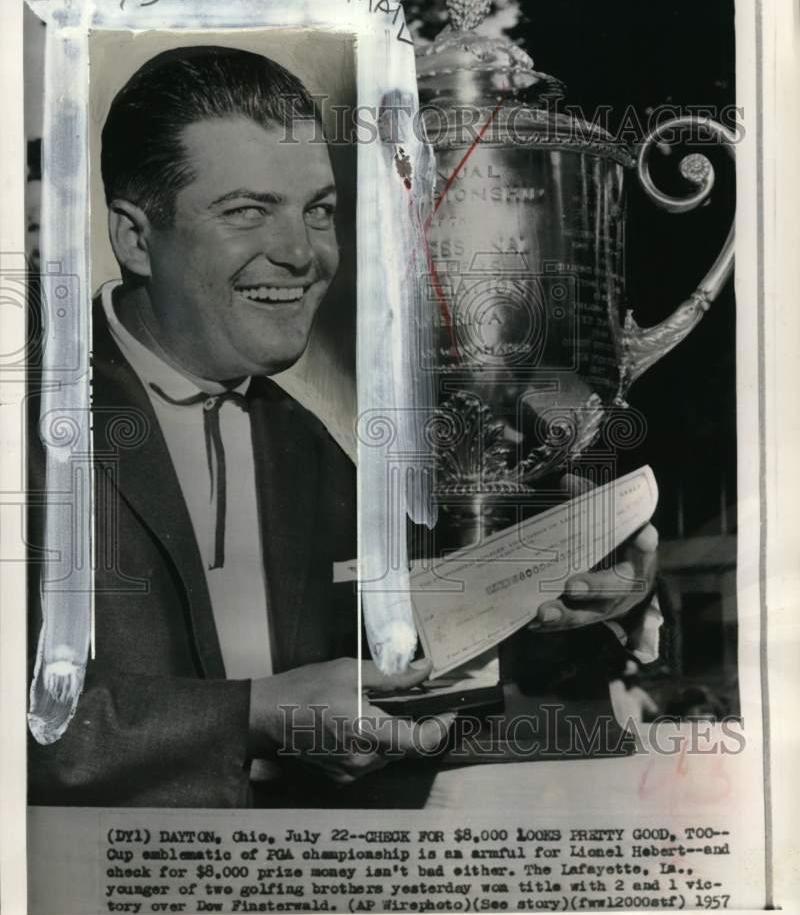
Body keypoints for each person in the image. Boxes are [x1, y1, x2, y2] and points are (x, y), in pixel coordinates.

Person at [27, 46, 660, 808]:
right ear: (135, 238)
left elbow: (410, 670)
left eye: (317, 211)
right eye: (247, 211)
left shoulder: (312, 448)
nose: (301, 254)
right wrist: (254, 718)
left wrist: (575, 599)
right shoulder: (25, 421)